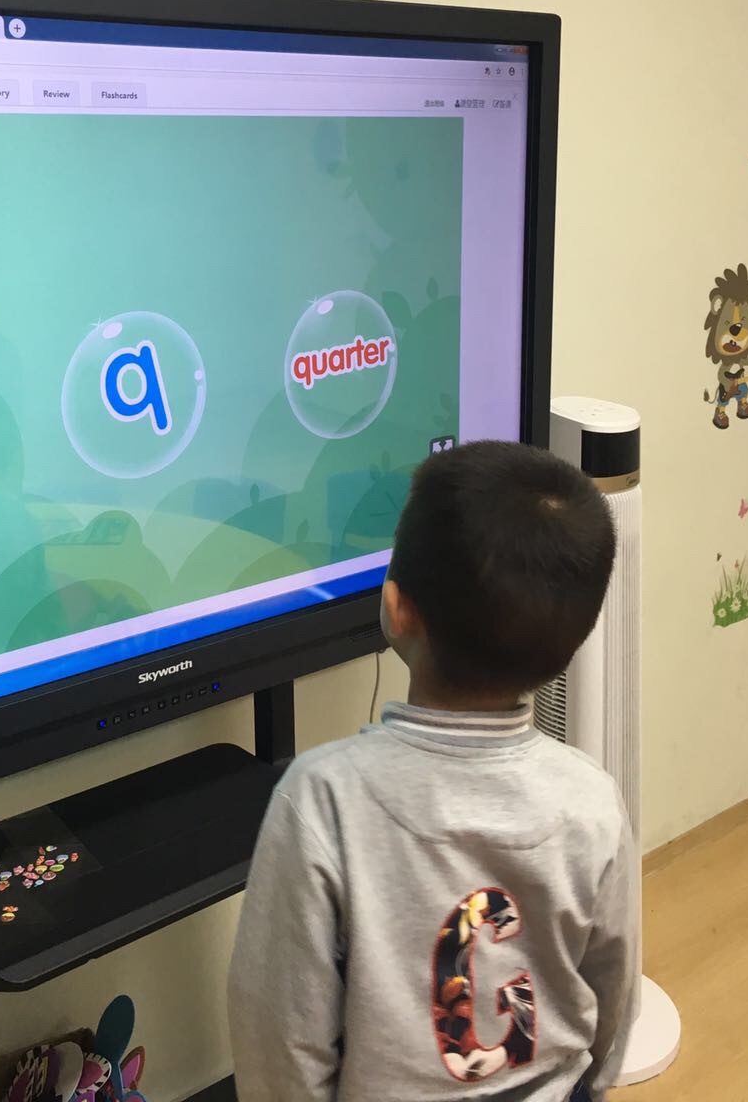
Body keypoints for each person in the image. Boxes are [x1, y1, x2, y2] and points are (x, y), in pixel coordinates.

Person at [228, 441, 636, 1102]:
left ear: (397, 607)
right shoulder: (593, 801)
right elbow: (611, 1001)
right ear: (570, 644)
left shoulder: (322, 799)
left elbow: (280, 1046)